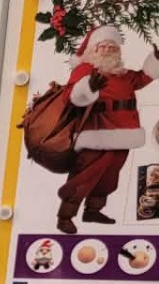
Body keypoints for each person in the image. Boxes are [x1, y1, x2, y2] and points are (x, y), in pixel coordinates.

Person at [57, 24, 159, 234]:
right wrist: (88, 88)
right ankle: (65, 215)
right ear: (93, 50)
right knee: (85, 174)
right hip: (96, 132)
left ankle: (93, 210)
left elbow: (142, 78)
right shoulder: (85, 70)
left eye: (113, 47)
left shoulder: (122, 74)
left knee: (110, 174)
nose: (109, 50)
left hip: (125, 133)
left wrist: (156, 60)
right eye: (103, 46)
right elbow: (71, 97)